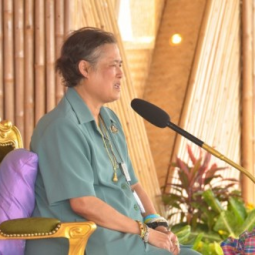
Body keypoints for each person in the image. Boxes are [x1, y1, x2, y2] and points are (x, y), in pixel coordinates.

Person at [25, 27, 201, 255]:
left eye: (121, 65)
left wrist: (158, 223)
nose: (121, 73)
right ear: (85, 68)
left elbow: (133, 184)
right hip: (92, 242)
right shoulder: (62, 127)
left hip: (128, 237)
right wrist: (145, 232)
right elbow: (84, 203)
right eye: (113, 65)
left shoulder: (109, 120)